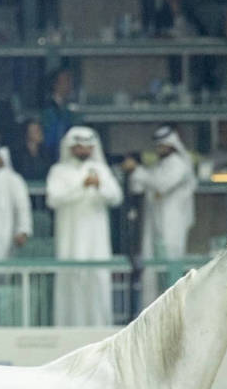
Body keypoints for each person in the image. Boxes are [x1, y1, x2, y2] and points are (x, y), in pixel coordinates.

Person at [46, 126, 122, 327]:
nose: (83, 151)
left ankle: (99, 328)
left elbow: (116, 197)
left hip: (96, 244)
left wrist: (98, 185)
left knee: (97, 282)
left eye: (87, 147)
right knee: (71, 282)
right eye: (78, 147)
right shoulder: (58, 171)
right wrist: (82, 186)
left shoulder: (102, 171)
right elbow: (53, 199)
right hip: (69, 242)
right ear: (71, 148)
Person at [124, 125, 195, 304]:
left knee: (171, 268)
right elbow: (140, 186)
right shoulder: (158, 165)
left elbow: (162, 184)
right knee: (154, 270)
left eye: (162, 145)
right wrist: (136, 173)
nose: (159, 149)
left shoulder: (179, 165)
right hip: (155, 225)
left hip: (173, 224)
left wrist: (137, 171)